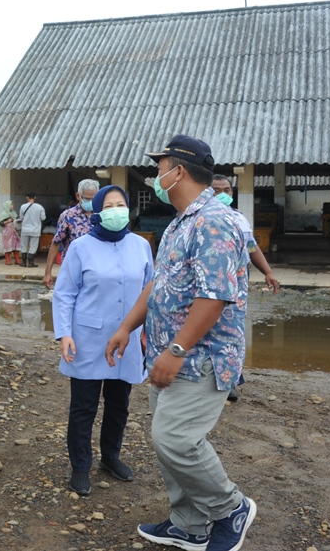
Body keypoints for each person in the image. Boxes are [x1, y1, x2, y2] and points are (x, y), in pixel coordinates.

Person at [105, 135, 256, 551]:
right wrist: (127, 327)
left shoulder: (214, 222)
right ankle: (189, 524)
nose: (157, 176)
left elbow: (216, 295)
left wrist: (175, 350)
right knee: (165, 439)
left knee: (176, 440)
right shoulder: (179, 223)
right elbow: (159, 283)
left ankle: (231, 508)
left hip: (200, 358)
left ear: (180, 171)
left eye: (160, 167)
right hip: (168, 356)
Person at [52, 185, 153, 496]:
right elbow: (64, 293)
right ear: (97, 211)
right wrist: (64, 333)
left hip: (129, 340)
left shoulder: (141, 246)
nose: (115, 210)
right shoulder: (81, 247)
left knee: (118, 405)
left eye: (120, 204)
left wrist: (148, 332)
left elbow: (151, 291)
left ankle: (110, 457)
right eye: (108, 205)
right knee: (83, 407)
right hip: (88, 338)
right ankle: (80, 467)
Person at [211, 174, 279, 403]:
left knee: (234, 332)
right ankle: (209, 378)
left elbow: (252, 247)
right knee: (207, 329)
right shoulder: (199, 219)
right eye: (216, 190)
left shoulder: (239, 219)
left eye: (226, 190)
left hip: (236, 286)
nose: (222, 194)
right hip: (209, 285)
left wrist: (268, 272)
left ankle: (230, 380)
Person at [44, 179, 99, 288]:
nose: (91, 202)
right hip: (72, 270)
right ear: (78, 196)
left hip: (97, 270)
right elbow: (56, 243)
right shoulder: (67, 216)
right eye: (87, 199)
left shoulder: (101, 215)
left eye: (94, 199)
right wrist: (47, 272)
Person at [18, 192, 46, 268]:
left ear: (27, 198)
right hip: (35, 230)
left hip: (25, 229)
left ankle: (23, 262)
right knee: (33, 246)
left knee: (23, 246)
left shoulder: (23, 207)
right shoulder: (40, 207)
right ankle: (31, 263)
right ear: (35, 198)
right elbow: (43, 218)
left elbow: (21, 218)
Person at [0, 200, 21, 265]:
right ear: (7, 206)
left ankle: (17, 260)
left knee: (16, 245)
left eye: (12, 204)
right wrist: (8, 221)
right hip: (7, 232)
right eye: (11, 204)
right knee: (8, 245)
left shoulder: (14, 213)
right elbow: (1, 223)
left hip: (15, 232)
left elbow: (17, 219)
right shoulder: (4, 214)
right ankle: (7, 260)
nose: (12, 206)